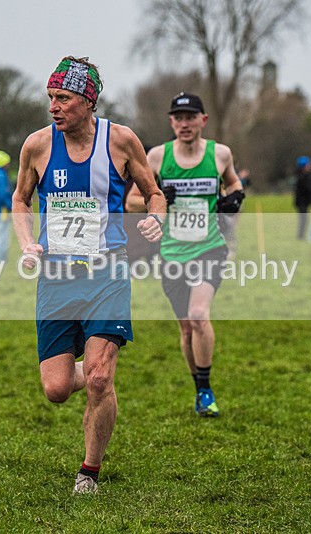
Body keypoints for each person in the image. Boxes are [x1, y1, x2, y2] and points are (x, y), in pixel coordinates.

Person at [12, 56, 165, 495]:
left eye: (63, 99)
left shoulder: (121, 141)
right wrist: (27, 242)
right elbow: (21, 200)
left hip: (108, 272)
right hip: (57, 277)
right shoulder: (37, 145)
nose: (53, 107)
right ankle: (90, 366)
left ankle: (89, 472)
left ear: (88, 101)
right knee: (57, 389)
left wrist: (156, 219)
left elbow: (154, 194)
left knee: (99, 378)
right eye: (50, 98)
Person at [126, 91, 245, 418]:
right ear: (171, 122)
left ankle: (206, 390)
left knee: (198, 315)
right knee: (186, 329)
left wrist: (235, 199)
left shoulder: (220, 155)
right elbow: (132, 202)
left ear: (203, 120)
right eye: (178, 118)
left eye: (191, 117)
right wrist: (160, 195)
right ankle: (199, 387)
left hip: (209, 247)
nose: (184, 123)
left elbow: (234, 185)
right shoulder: (156, 157)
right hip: (172, 252)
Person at [294, 155, 311, 240]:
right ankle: (300, 236)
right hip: (302, 202)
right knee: (303, 219)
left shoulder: (304, 176)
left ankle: (301, 235)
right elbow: (306, 189)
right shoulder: (302, 177)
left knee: (304, 219)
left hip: (304, 202)